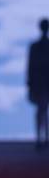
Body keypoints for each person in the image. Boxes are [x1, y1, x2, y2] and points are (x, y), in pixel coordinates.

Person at [27, 18, 49, 149]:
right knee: (42, 110)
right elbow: (30, 66)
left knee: (42, 109)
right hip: (39, 83)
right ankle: (41, 138)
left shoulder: (36, 46)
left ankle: (43, 138)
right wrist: (30, 83)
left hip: (43, 82)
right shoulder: (35, 47)